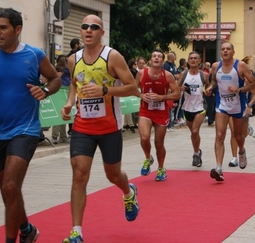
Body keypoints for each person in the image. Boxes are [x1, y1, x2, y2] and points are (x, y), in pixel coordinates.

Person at [0, 8, 62, 243]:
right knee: (8, 190)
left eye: (3, 27)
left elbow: (56, 78)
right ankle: (27, 229)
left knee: (10, 186)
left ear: (17, 30)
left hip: (25, 129)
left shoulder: (34, 55)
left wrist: (46, 90)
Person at [60, 14, 139, 243]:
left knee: (113, 174)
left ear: (101, 32)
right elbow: (74, 86)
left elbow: (132, 87)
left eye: (94, 27)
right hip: (83, 126)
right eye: (84, 26)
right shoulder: (73, 59)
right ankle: (76, 232)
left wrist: (105, 92)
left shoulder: (112, 57)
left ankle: (128, 192)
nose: (88, 30)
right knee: (79, 175)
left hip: (109, 127)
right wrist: (68, 104)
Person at [206, 42, 255, 181]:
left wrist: (239, 89)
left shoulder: (240, 66)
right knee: (220, 135)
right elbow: (214, 82)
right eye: (223, 49)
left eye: (228, 49)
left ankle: (241, 151)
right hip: (222, 105)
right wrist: (210, 88)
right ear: (220, 52)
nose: (225, 51)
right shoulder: (216, 66)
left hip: (237, 105)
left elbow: (253, 84)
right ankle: (219, 168)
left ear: (233, 52)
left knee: (238, 136)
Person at [136, 49, 180, 181]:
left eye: (159, 57)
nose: (156, 58)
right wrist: (141, 95)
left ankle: (161, 169)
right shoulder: (141, 73)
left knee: (158, 143)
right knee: (144, 138)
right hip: (146, 110)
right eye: (154, 56)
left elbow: (177, 94)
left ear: (162, 61)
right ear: (150, 60)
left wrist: (162, 97)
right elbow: (132, 88)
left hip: (161, 112)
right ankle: (148, 158)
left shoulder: (167, 75)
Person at [177, 51, 210, 167]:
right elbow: (176, 88)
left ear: (199, 61)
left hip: (201, 106)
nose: (193, 60)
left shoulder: (204, 75)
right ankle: (198, 150)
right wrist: (180, 88)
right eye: (191, 58)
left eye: (196, 58)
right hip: (187, 107)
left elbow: (210, 87)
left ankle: (195, 154)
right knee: (193, 133)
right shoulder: (183, 75)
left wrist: (209, 90)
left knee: (195, 131)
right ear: (188, 61)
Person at [51, 55, 71, 144]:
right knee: (64, 114)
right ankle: (63, 136)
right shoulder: (69, 70)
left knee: (57, 115)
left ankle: (55, 136)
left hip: (57, 93)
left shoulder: (56, 70)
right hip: (65, 93)